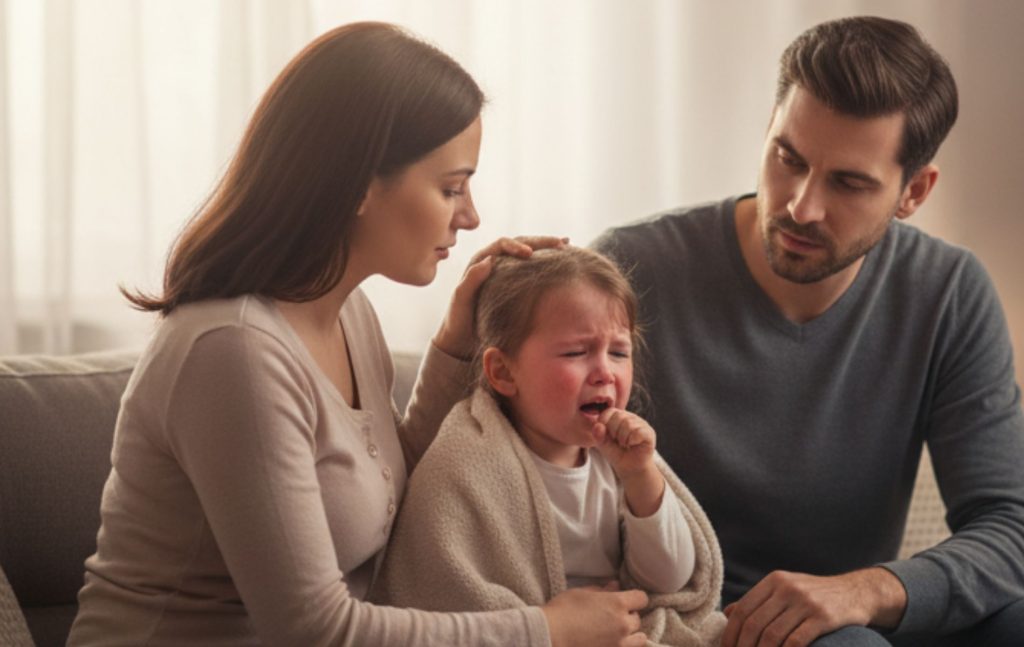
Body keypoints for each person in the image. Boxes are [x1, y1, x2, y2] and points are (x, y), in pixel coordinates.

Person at [67, 22, 650, 647]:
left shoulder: (347, 314)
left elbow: (390, 487)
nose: (471, 215)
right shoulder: (233, 352)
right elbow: (313, 629)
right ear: (361, 184)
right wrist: (546, 629)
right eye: (451, 187)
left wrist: (458, 337)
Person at [594, 15, 1024, 647]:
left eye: (849, 182)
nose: (800, 205)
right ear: (769, 130)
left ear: (914, 192)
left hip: (852, 616)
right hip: (690, 620)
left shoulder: (948, 292)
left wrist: (867, 589)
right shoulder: (634, 270)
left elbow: (1009, 527)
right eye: (787, 158)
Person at [373, 247, 727, 646]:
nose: (605, 373)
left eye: (619, 352)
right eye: (577, 352)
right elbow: (451, 593)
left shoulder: (621, 460)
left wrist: (641, 478)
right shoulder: (466, 464)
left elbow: (668, 580)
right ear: (503, 372)